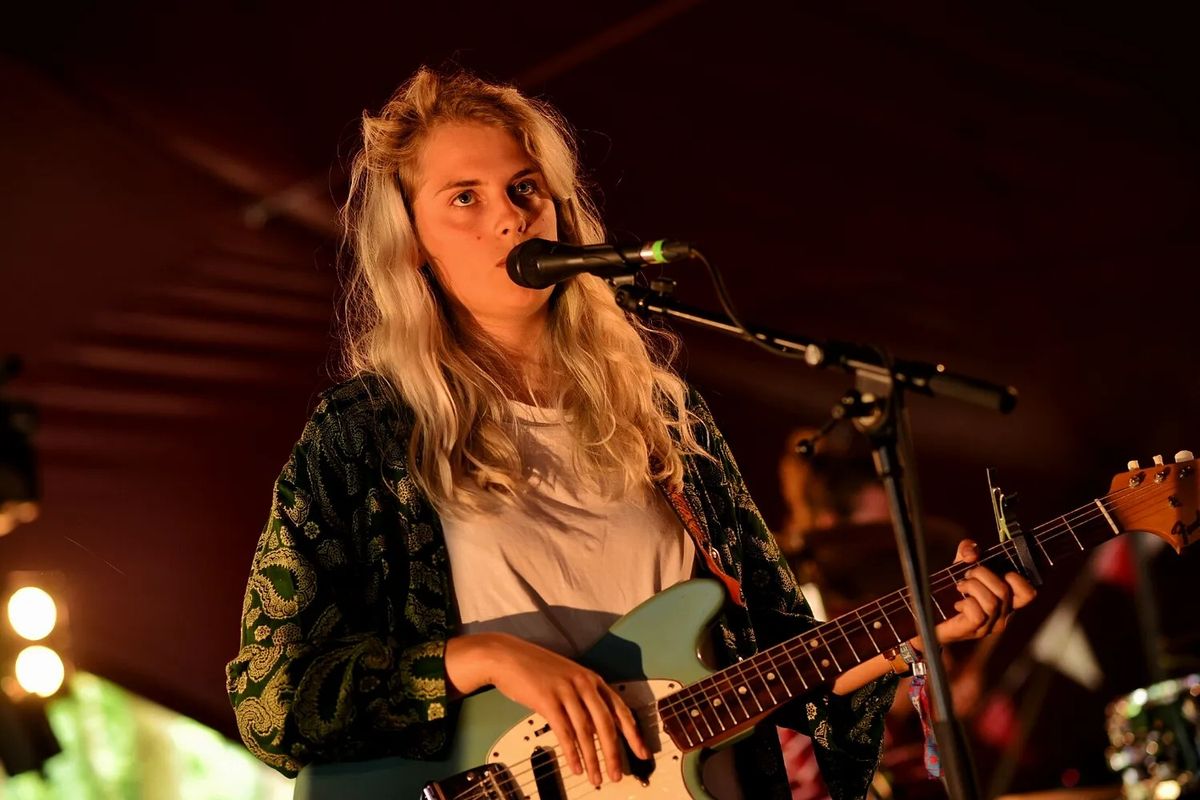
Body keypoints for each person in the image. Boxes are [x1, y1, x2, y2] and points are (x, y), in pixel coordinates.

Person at [224, 66, 1036, 800]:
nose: (508, 217)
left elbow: (780, 656)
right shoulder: (364, 433)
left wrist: (913, 636)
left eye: (525, 188)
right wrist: (487, 659)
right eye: (463, 197)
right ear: (414, 247)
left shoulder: (664, 416)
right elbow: (273, 699)